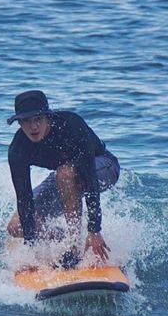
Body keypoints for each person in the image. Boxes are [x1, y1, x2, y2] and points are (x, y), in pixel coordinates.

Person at [6, 89, 120, 268]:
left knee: (65, 173)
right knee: (15, 226)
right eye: (27, 121)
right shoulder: (18, 150)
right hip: (63, 177)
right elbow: (24, 198)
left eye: (38, 119)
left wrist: (94, 230)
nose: (34, 127)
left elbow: (89, 178)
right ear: (19, 123)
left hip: (102, 166)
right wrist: (31, 248)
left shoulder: (71, 125)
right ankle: (60, 239)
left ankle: (74, 247)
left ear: (47, 117)